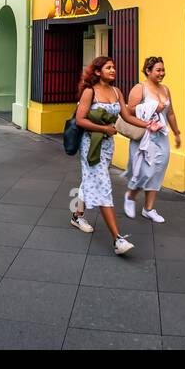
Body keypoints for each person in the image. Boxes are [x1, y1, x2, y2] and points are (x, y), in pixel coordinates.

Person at [70, 56, 134, 256]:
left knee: (90, 179)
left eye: (114, 67)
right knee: (103, 186)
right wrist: (103, 128)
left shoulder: (116, 91)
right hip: (91, 145)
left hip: (107, 145)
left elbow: (127, 116)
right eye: (109, 67)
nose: (113, 70)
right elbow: (80, 120)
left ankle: (77, 215)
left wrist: (148, 125)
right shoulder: (90, 92)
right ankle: (117, 239)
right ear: (98, 72)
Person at [123, 56, 181, 223]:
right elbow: (129, 111)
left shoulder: (165, 89)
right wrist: (153, 106)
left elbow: (170, 113)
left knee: (157, 172)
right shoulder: (139, 88)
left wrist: (176, 133)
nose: (162, 73)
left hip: (161, 137)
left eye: (163, 70)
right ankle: (131, 196)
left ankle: (148, 209)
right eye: (158, 70)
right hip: (144, 137)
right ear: (148, 71)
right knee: (144, 172)